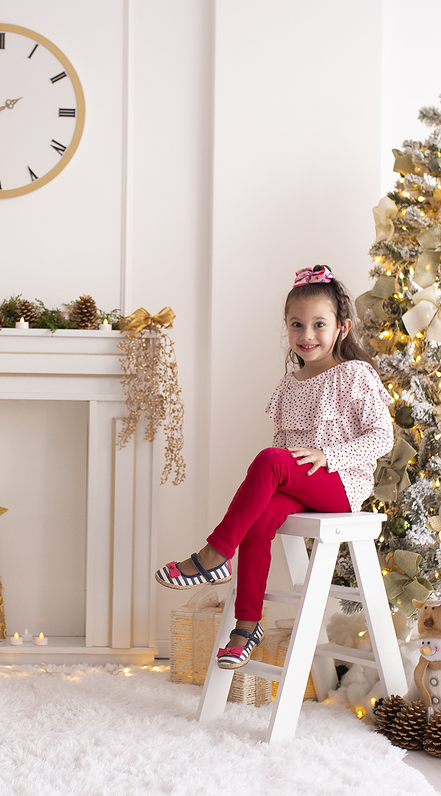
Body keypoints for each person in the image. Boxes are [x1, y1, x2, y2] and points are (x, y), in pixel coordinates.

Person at [155, 265, 393, 669]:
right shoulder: (290, 384)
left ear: (342, 327)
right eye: (297, 325)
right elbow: (283, 448)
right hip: (301, 484)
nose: (306, 335)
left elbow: (382, 438)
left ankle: (213, 556)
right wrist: (282, 475)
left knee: (269, 461)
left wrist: (328, 457)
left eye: (319, 324)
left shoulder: (355, 375)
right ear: (286, 327)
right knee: (258, 518)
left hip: (341, 485)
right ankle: (246, 627)